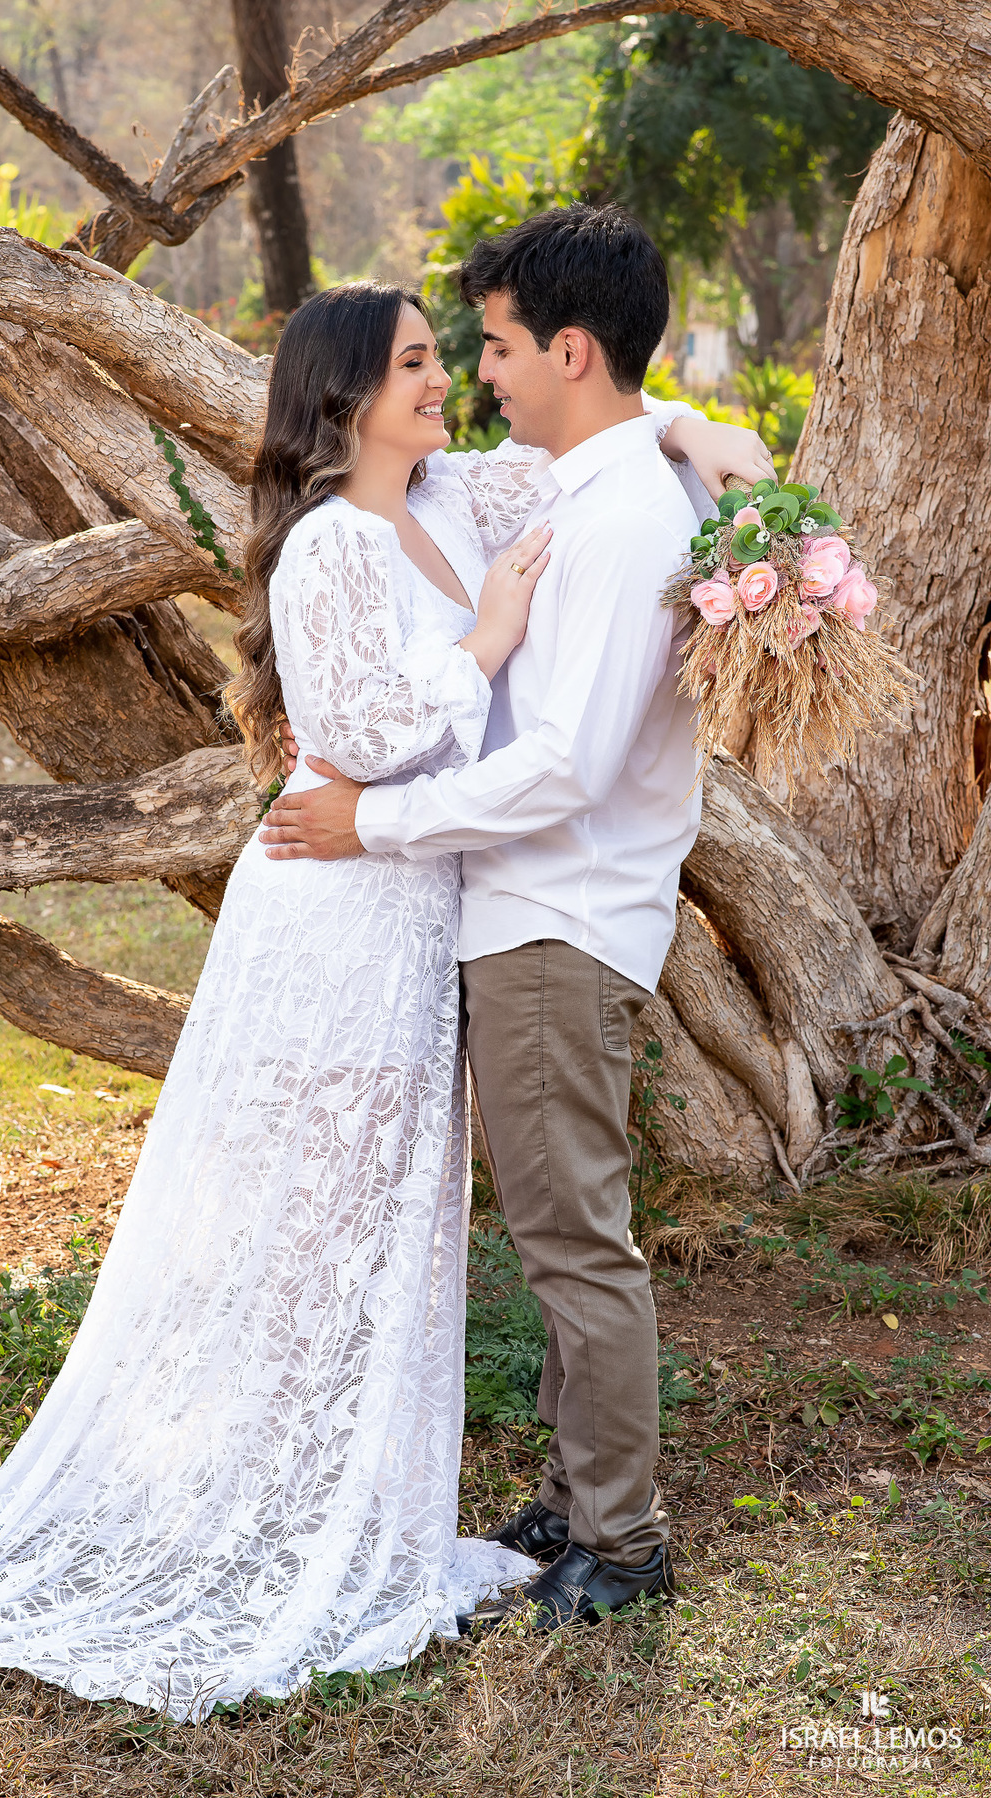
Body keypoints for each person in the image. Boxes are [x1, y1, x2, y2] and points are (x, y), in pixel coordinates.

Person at [0, 276, 762, 1717]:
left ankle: (360, 1474)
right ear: (346, 395)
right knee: (300, 1210)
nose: (451, 383)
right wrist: (489, 646)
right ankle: (249, 1485)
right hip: (336, 906)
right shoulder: (326, 546)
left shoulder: (461, 500)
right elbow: (360, 736)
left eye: (459, 356)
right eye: (424, 364)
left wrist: (704, 431)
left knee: (387, 1214)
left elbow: (599, 426)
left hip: (429, 901)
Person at [261, 207, 772, 1632]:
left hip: (556, 916)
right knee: (558, 1226)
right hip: (531, 917)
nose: (477, 372)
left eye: (487, 344)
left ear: (568, 348)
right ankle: (574, 1492)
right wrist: (691, 421)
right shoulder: (584, 485)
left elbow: (562, 767)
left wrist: (374, 822)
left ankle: (622, 1539)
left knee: (572, 1241)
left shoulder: (614, 522)